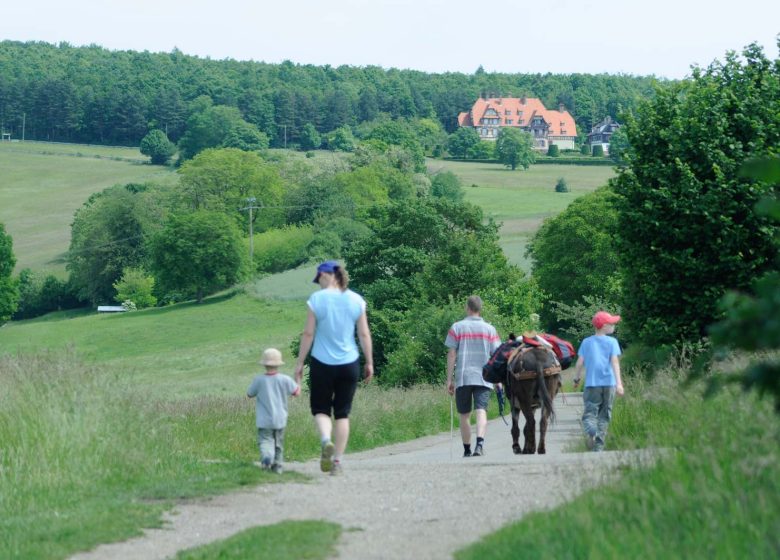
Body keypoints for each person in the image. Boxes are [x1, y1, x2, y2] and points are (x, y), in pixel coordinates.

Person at [294, 260, 373, 476]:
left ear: (327, 275)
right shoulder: (357, 300)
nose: (318, 283)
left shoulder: (316, 300)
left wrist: (300, 363)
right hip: (349, 363)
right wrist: (369, 362)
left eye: (319, 278)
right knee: (342, 414)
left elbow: (308, 334)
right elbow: (364, 334)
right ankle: (337, 461)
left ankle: (326, 440)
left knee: (321, 410)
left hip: (322, 362)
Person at [445, 295, 501, 457]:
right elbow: (496, 355)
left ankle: (467, 449)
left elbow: (452, 354)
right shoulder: (490, 329)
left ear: (467, 308)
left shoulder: (457, 327)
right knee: (481, 410)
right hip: (484, 376)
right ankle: (480, 445)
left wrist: (449, 379)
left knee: (464, 414)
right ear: (480, 309)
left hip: (463, 377)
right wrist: (497, 379)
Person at [572, 311, 624, 452]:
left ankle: (592, 431)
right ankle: (598, 447)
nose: (614, 326)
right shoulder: (612, 342)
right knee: (605, 415)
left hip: (592, 384)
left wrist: (576, 379)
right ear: (604, 326)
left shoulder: (586, 342)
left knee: (590, 413)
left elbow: (579, 363)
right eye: (612, 323)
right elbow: (614, 362)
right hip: (609, 384)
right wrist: (619, 384)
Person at [247, 348, 301, 474]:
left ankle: (267, 457)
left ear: (264, 364)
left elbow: (249, 394)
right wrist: (298, 380)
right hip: (280, 419)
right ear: (279, 364)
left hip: (264, 420)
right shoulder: (285, 379)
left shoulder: (259, 380)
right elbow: (297, 392)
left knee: (265, 441)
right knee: (278, 444)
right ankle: (277, 467)